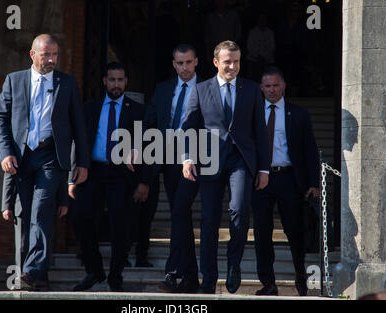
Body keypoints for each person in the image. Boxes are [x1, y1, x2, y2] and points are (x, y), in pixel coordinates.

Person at [0, 34, 89, 291]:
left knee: (41, 210)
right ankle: (35, 274)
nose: (51, 60)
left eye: (55, 54)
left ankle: (33, 269)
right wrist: (5, 153)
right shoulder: (15, 81)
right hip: (22, 157)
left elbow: (78, 125)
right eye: (46, 55)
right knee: (24, 215)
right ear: (33, 55)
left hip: (51, 157)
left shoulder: (67, 84)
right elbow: (1, 119)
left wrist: (82, 161)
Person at [182, 40, 269, 294]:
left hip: (241, 159)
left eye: (237, 61)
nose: (233, 66)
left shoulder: (252, 90)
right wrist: (187, 157)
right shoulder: (200, 89)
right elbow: (189, 127)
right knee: (209, 220)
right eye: (228, 61)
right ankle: (208, 277)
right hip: (209, 161)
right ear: (216, 62)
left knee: (240, 210)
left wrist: (263, 168)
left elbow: (260, 132)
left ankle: (234, 265)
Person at [70, 62, 145, 292]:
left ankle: (115, 275)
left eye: (120, 80)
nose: (116, 84)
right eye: (112, 80)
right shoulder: (90, 108)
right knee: (82, 218)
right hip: (92, 172)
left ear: (126, 81)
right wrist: (72, 176)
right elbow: (78, 141)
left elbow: (147, 144)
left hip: (122, 174)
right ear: (104, 81)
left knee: (120, 227)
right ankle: (94, 270)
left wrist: (144, 181)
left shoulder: (137, 110)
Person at [138, 44, 201, 293]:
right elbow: (149, 121)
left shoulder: (206, 88)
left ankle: (173, 273)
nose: (184, 68)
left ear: (196, 62)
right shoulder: (163, 89)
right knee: (181, 215)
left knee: (179, 212)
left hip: (194, 160)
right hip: (166, 159)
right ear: (174, 64)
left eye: (188, 62)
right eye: (179, 63)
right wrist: (135, 146)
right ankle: (192, 278)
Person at [252, 66, 319, 296]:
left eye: (276, 85)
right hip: (261, 179)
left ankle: (301, 275)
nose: (271, 90)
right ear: (261, 88)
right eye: (267, 86)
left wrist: (313, 183)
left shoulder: (298, 114)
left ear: (284, 86)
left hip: (289, 178)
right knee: (261, 232)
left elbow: (310, 149)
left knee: (295, 231)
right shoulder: (253, 113)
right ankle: (268, 283)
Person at [1, 171, 69, 283]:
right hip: (22, 208)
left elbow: (60, 175)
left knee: (42, 242)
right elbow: (9, 174)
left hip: (44, 208)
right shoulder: (19, 154)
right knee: (22, 246)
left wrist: (63, 201)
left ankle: (40, 280)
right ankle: (20, 280)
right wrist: (6, 205)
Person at [246, 14, 275, 82]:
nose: (262, 21)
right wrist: (257, 56)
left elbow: (272, 47)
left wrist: (264, 57)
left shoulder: (270, 33)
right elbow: (249, 47)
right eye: (260, 19)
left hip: (267, 61)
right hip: (253, 61)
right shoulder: (252, 32)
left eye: (264, 19)